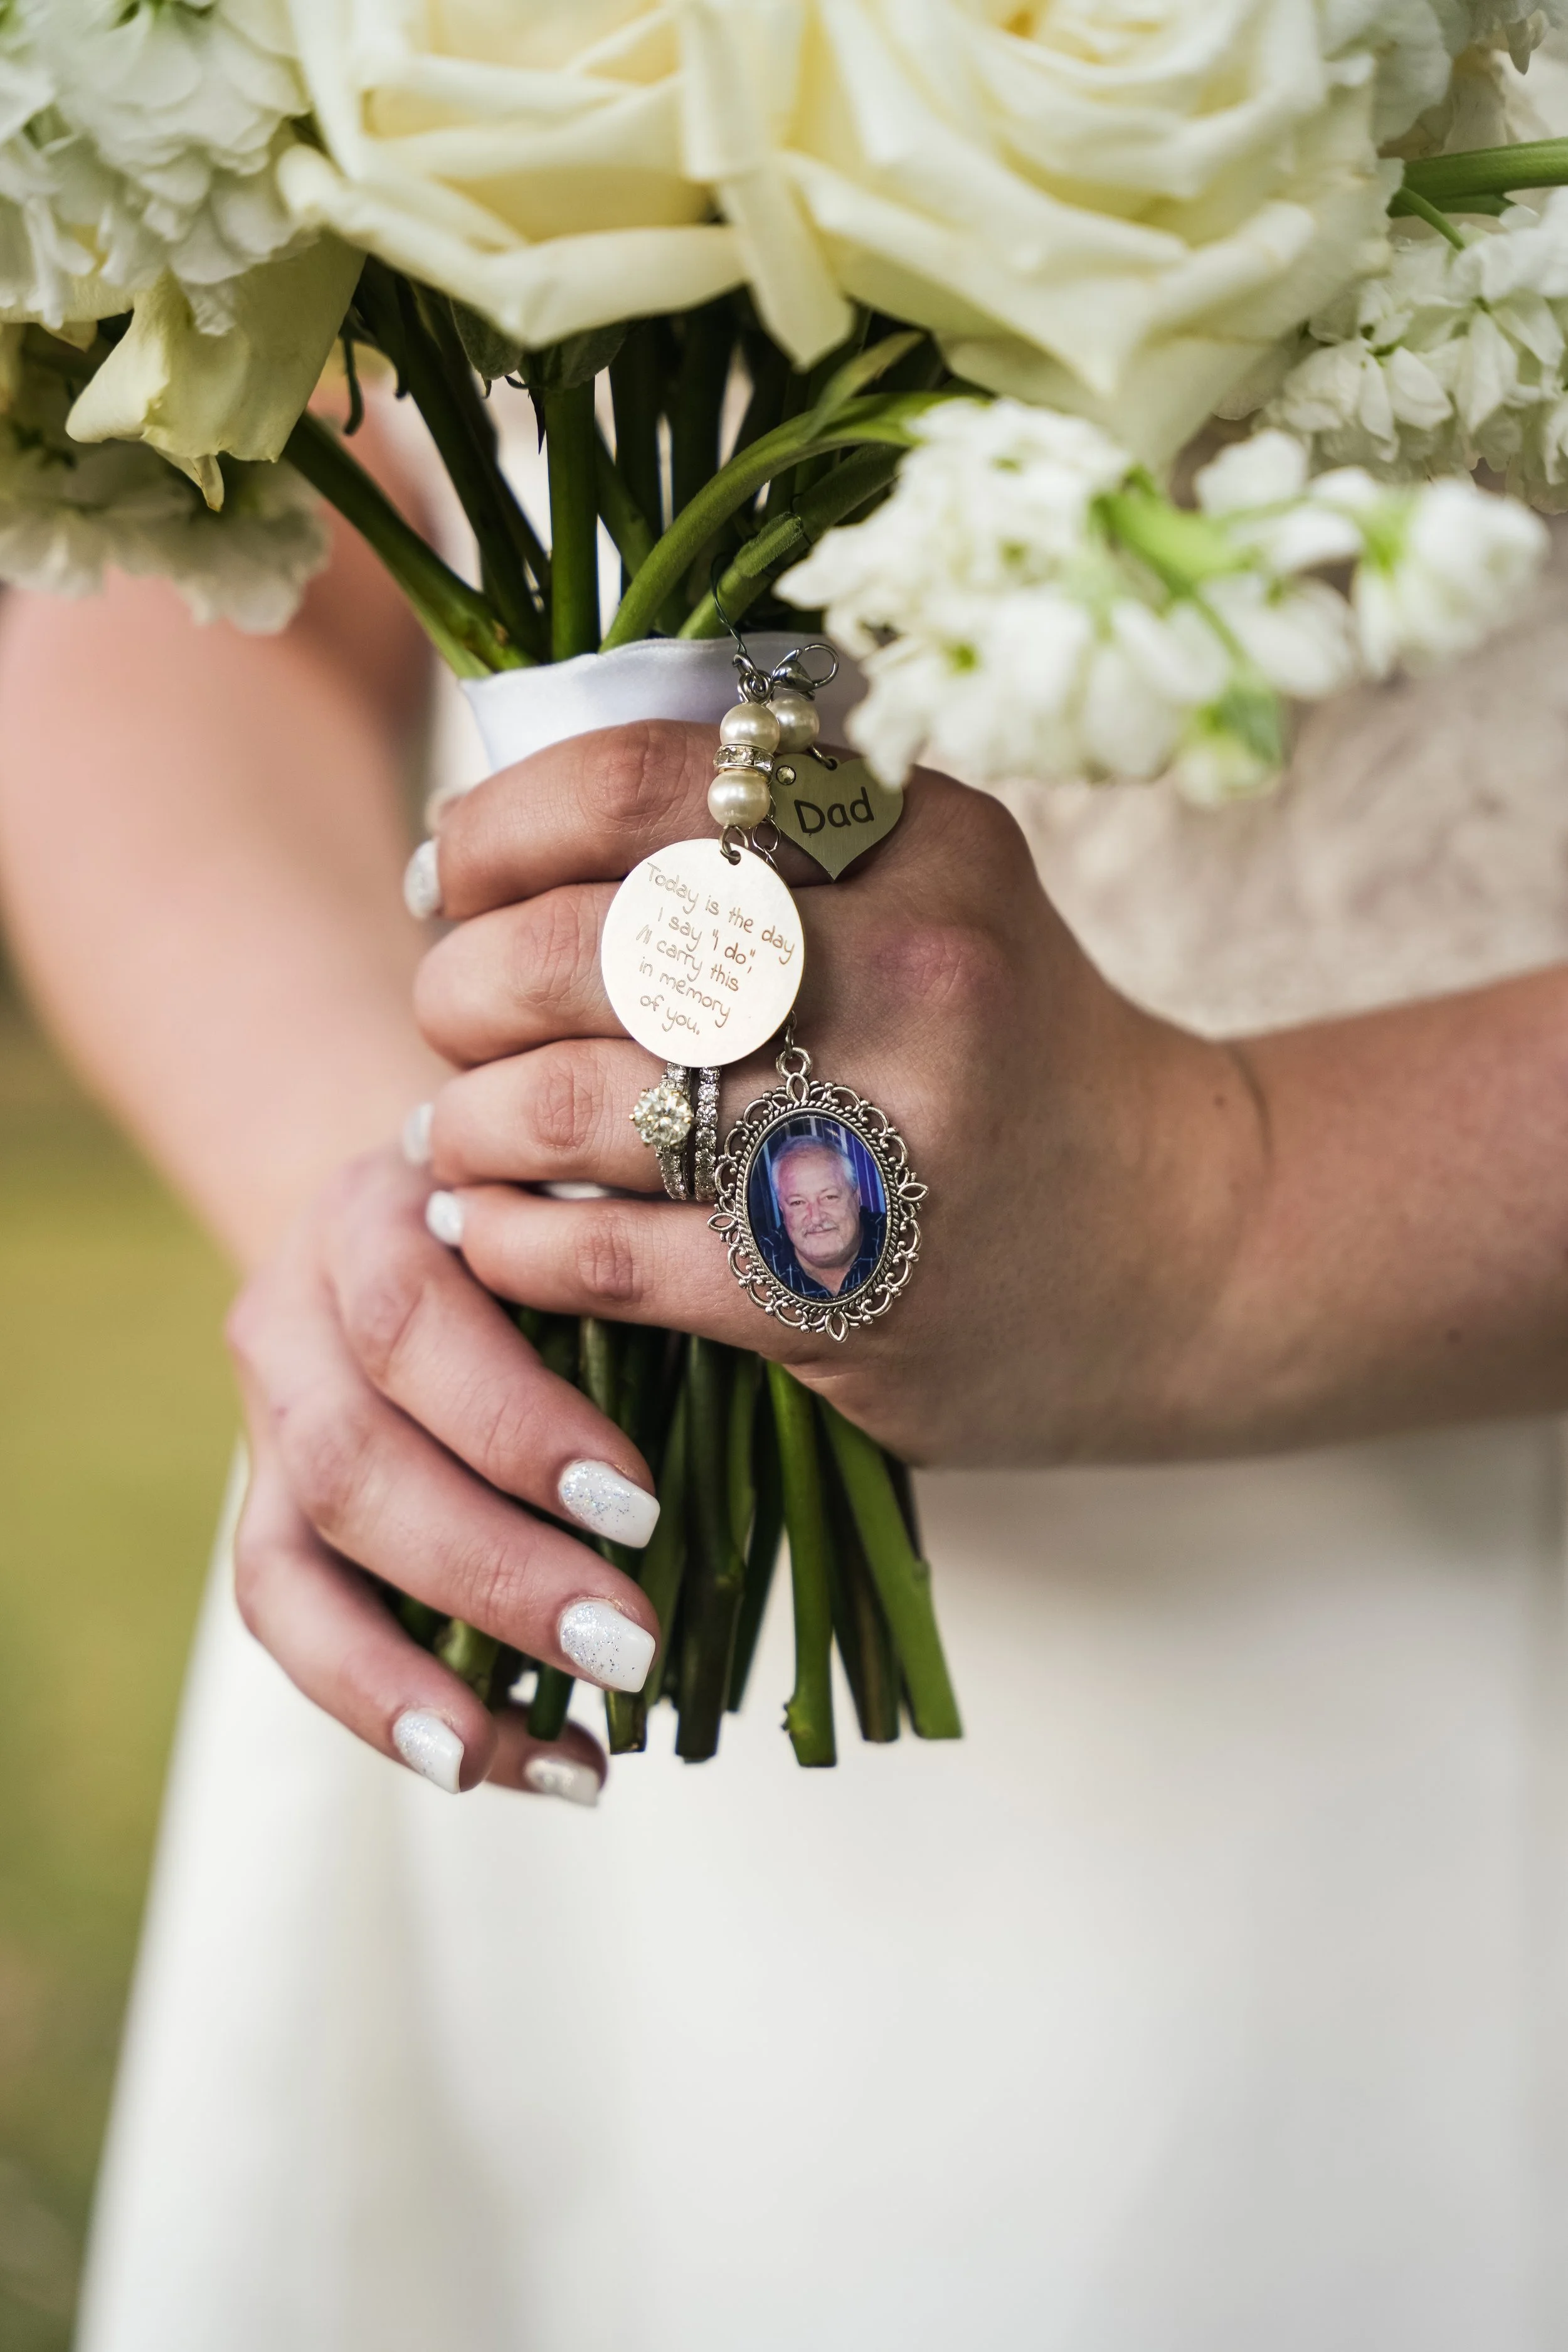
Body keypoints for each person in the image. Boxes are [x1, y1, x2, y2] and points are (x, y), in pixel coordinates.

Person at [6, 406, 1568, 2349]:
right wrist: (431, 1237)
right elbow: (167, 563)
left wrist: (1217, 1210)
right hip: (586, 1576)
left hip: (1456, 1557)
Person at [757, 1130, 886, 1300]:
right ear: (782, 1208)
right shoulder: (758, 1261)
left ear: (856, 1197)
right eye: (798, 1202)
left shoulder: (898, 1239)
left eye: (829, 1197)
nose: (816, 1218)